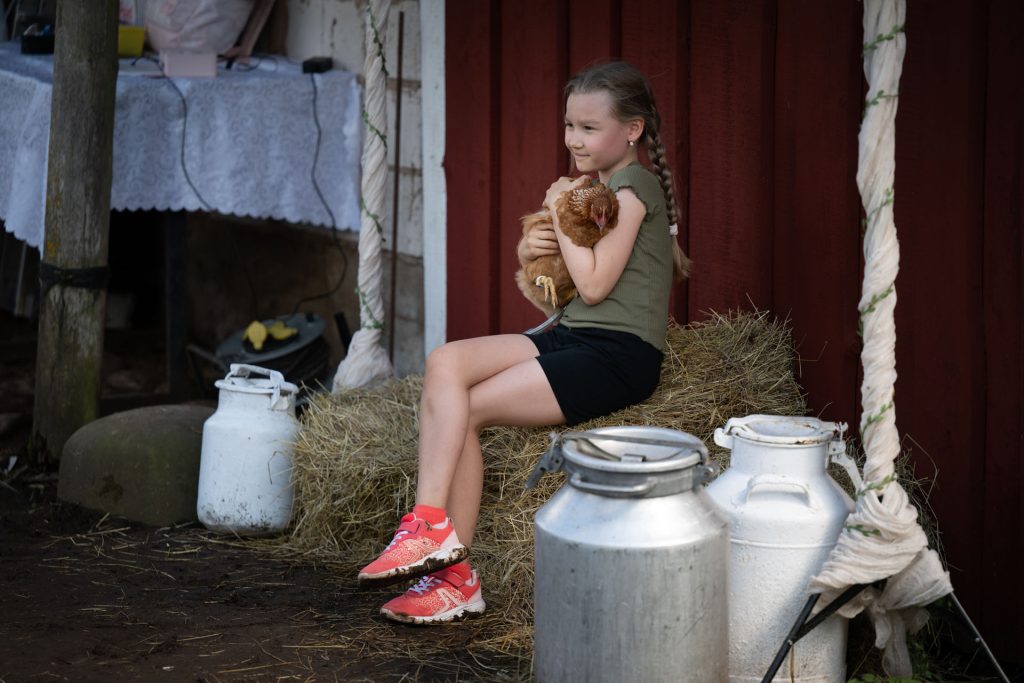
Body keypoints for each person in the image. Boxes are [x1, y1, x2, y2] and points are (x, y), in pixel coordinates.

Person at [357, 61, 689, 624]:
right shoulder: (598, 190)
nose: (574, 140)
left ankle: (453, 577)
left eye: (589, 128)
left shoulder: (634, 187)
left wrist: (560, 211)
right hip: (577, 335)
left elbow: (595, 282)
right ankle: (429, 526)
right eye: (569, 126)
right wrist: (540, 246)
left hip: (618, 357)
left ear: (631, 130)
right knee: (446, 363)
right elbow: (565, 296)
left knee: (464, 410)